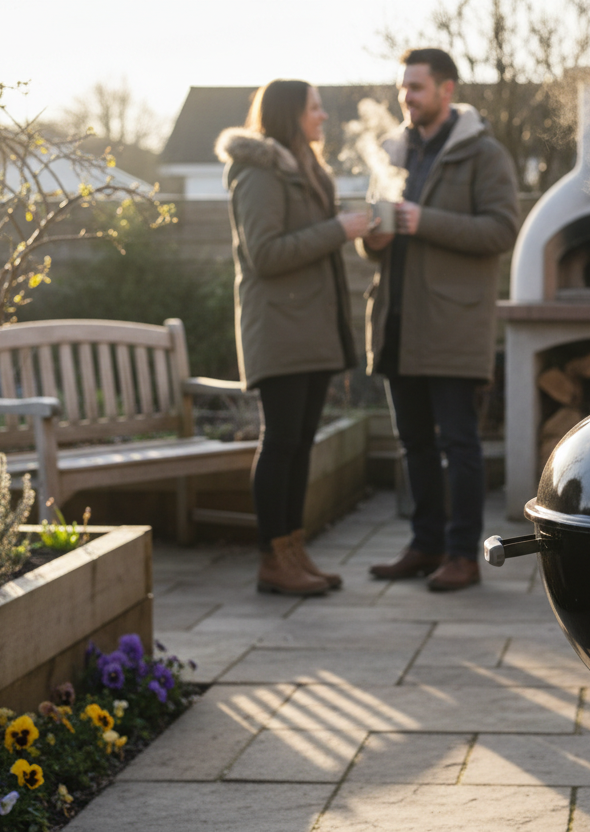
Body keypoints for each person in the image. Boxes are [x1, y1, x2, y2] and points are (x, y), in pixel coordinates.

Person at [359, 48, 520, 591]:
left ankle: (462, 556)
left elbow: (501, 230)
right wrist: (373, 239)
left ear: (447, 90)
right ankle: (425, 545)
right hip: (395, 322)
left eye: (416, 87)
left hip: (453, 325)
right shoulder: (393, 151)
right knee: (414, 445)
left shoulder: (485, 154)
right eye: (402, 87)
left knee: (459, 445)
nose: (405, 97)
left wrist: (424, 220)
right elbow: (373, 241)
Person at [216, 80, 373, 596]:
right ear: (289, 114)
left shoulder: (305, 169)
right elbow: (265, 254)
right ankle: (272, 559)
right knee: (281, 442)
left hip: (309, 328)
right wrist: (338, 229)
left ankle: (293, 550)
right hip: (280, 329)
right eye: (314, 108)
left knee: (301, 443)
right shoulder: (259, 172)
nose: (323, 116)